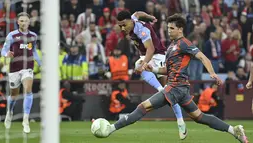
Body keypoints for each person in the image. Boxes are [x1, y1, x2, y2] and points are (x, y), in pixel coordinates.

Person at [104, 13, 249, 143]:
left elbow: (202, 57)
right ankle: (234, 130)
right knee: (199, 117)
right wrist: (152, 68)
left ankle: (110, 129)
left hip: (175, 87)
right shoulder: (171, 47)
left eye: (172, 28)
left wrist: (212, 73)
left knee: (143, 107)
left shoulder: (184, 43)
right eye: (168, 28)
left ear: (180, 29)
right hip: (181, 89)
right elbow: (168, 70)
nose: (169, 31)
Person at [116, 10, 187, 139]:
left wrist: (144, 64)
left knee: (168, 91)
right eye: (120, 26)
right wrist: (150, 17)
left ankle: (180, 121)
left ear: (130, 22)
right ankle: (161, 90)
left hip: (158, 55)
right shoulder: (133, 19)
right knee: (143, 70)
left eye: (124, 25)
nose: (122, 28)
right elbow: (137, 13)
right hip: (146, 55)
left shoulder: (141, 30)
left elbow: (151, 49)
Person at [1, 12, 41, 133]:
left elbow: (33, 51)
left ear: (29, 22)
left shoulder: (33, 36)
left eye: (26, 20)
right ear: (18, 22)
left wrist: (41, 63)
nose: (24, 22)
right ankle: (10, 112)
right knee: (14, 95)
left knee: (28, 89)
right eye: (21, 20)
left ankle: (26, 120)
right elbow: (4, 50)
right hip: (14, 68)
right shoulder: (12, 35)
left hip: (28, 67)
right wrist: (6, 54)